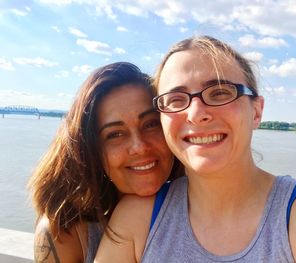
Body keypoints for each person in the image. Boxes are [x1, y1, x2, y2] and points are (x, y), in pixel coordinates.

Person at [94, 36, 296, 262]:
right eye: (175, 100)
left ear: (256, 111)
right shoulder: (139, 219)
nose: (196, 114)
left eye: (219, 93)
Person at [28, 62, 183, 263]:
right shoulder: (65, 232)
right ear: (90, 151)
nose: (139, 147)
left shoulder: (200, 205)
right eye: (115, 134)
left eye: (151, 124)